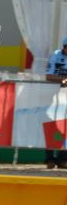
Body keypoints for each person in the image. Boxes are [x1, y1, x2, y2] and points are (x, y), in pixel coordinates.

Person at [44, 37, 67, 169]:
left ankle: (63, 159)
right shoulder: (56, 55)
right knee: (52, 127)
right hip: (53, 97)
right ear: (64, 47)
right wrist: (63, 79)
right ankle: (49, 159)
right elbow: (49, 76)